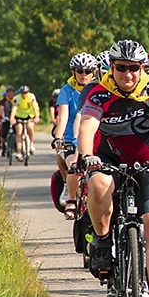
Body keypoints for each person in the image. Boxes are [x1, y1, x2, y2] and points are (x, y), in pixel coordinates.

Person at [78, 39, 149, 297]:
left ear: (142, 67)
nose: (128, 74)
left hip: (148, 163)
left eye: (134, 68)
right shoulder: (99, 93)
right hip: (108, 160)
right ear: (112, 67)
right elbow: (88, 127)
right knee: (98, 184)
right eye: (121, 68)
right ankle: (102, 237)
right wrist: (86, 155)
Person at [54, 52, 98, 219]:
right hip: (73, 138)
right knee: (74, 163)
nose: (84, 75)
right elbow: (63, 117)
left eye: (88, 71)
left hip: (95, 139)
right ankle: (71, 197)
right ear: (74, 72)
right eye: (80, 71)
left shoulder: (99, 89)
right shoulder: (67, 90)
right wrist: (59, 138)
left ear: (94, 72)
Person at [10, 85, 40, 160]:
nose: (24, 94)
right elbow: (14, 108)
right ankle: (19, 151)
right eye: (23, 93)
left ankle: (31, 143)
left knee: (30, 127)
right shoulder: (17, 98)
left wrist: (36, 117)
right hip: (19, 116)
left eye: (26, 93)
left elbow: (34, 107)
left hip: (29, 116)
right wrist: (12, 118)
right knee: (19, 131)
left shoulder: (31, 97)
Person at [0, 86, 16, 156]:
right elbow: (1, 109)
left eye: (12, 92)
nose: (10, 94)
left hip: (15, 118)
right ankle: (4, 145)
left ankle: (17, 145)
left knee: (17, 131)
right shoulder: (3, 101)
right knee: (4, 132)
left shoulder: (16, 100)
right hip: (6, 118)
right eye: (9, 92)